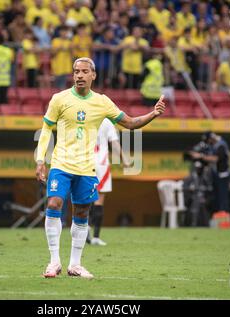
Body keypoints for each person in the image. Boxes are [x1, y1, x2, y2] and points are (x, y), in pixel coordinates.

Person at [35, 57, 166, 278]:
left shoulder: (102, 102)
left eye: (84, 71)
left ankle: (74, 265)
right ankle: (54, 261)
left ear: (93, 75)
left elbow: (130, 123)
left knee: (83, 211)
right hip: (61, 164)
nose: (79, 75)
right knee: (55, 203)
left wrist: (153, 114)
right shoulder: (59, 99)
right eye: (76, 71)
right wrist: (40, 160)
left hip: (87, 168)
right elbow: (46, 129)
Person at [86, 118, 132, 246]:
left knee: (85, 199)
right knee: (99, 200)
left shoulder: (85, 115)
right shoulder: (107, 122)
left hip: (85, 162)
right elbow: (114, 143)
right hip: (101, 163)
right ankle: (95, 237)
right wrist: (124, 160)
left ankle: (85, 231)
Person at [190, 131, 230, 213]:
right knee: (217, 197)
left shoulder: (221, 145)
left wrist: (201, 156)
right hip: (216, 174)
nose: (208, 143)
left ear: (212, 138)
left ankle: (224, 217)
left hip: (223, 175)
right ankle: (219, 217)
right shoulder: (214, 146)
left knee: (222, 197)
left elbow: (215, 159)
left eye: (208, 141)